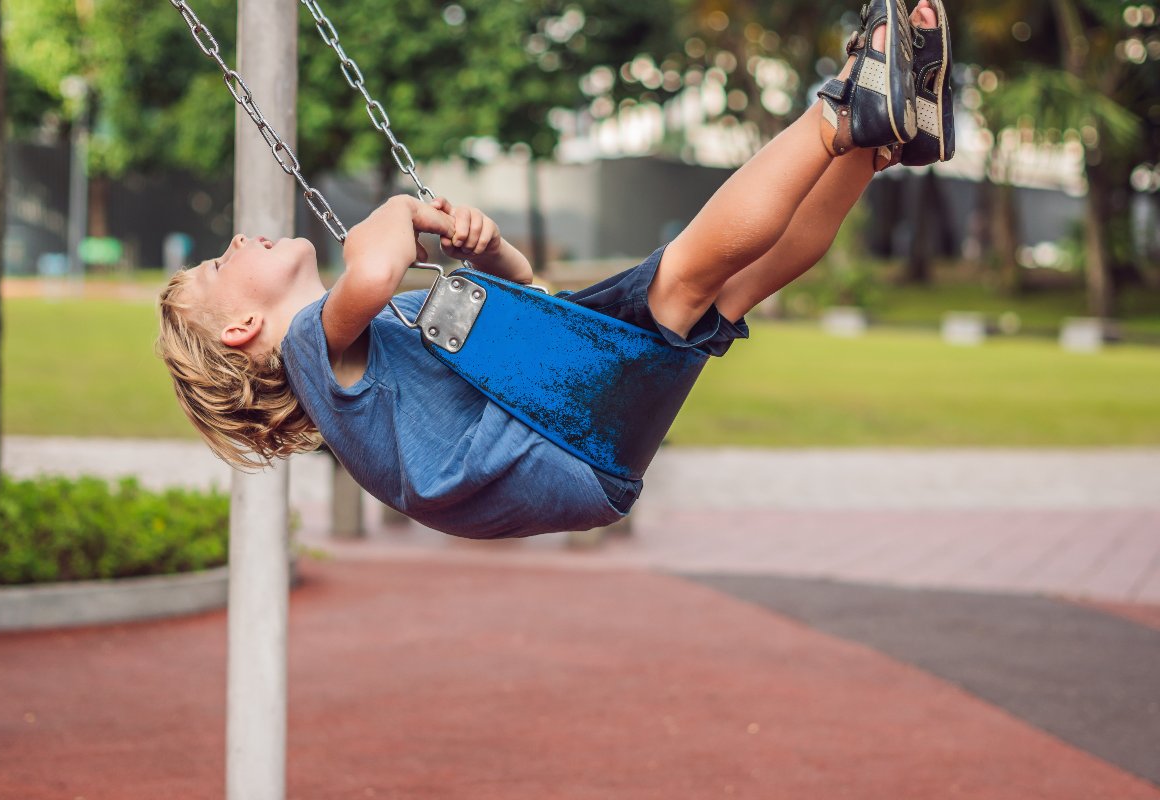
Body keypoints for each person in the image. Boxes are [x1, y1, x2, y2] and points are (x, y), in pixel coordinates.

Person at [158, 0, 952, 539]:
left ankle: (880, 143)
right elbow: (371, 272)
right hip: (553, 440)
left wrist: (488, 253)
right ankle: (843, 113)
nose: (233, 243)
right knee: (681, 280)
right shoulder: (309, 348)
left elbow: (525, 293)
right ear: (241, 327)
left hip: (564, 445)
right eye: (216, 265)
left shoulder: (373, 353)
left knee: (732, 284)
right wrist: (397, 212)